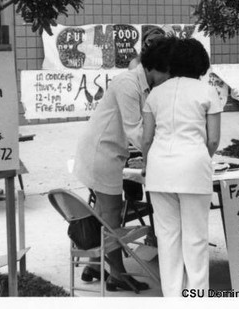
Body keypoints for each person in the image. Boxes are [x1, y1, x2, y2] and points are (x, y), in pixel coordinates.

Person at [73, 36, 175, 292]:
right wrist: (166, 153)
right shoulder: (127, 83)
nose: (169, 79)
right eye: (168, 73)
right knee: (111, 216)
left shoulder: (144, 84)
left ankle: (97, 264)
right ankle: (117, 273)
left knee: (107, 212)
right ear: (154, 68)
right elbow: (136, 131)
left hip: (110, 152)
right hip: (101, 152)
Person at [141, 38, 222, 296]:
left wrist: (148, 162)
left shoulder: (156, 93)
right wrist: (199, 157)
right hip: (193, 168)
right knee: (196, 239)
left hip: (159, 170)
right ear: (201, 63)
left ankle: (173, 297)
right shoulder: (208, 92)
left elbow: (146, 138)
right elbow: (213, 139)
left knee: (168, 239)